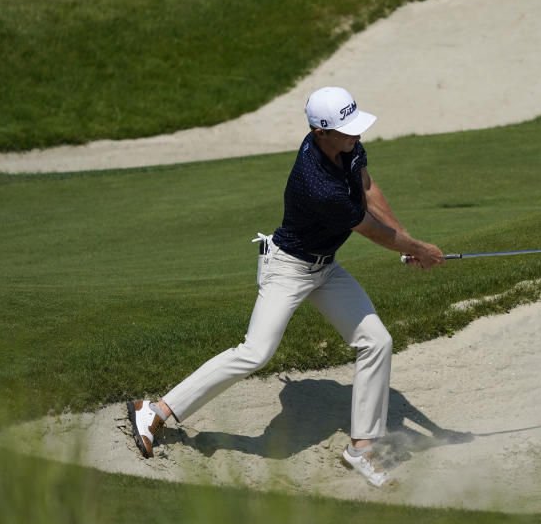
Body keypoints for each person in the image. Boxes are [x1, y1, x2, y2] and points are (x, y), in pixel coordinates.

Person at [127, 86, 445, 487]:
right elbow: (369, 229)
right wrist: (420, 250)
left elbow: (367, 189)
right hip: (288, 268)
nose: (356, 137)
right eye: (346, 131)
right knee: (256, 352)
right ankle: (155, 411)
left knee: (376, 341)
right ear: (319, 132)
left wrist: (408, 241)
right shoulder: (315, 182)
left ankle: (361, 448)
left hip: (325, 269)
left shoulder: (346, 148)